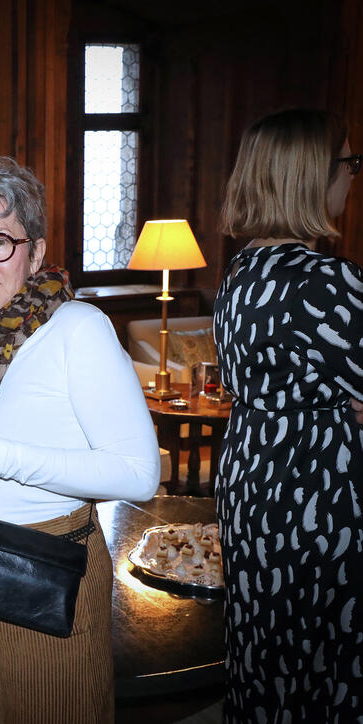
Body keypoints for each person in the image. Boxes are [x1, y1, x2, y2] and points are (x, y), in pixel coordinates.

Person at [0, 157, 160, 722]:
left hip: (41, 576)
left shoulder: (77, 329)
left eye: (0, 242)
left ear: (35, 252)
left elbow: (138, 472)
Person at [215, 108, 363, 722]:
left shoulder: (242, 272)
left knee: (266, 654)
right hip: (317, 494)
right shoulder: (326, 281)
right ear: (313, 175)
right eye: (350, 163)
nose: (354, 176)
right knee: (328, 664)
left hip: (252, 477)